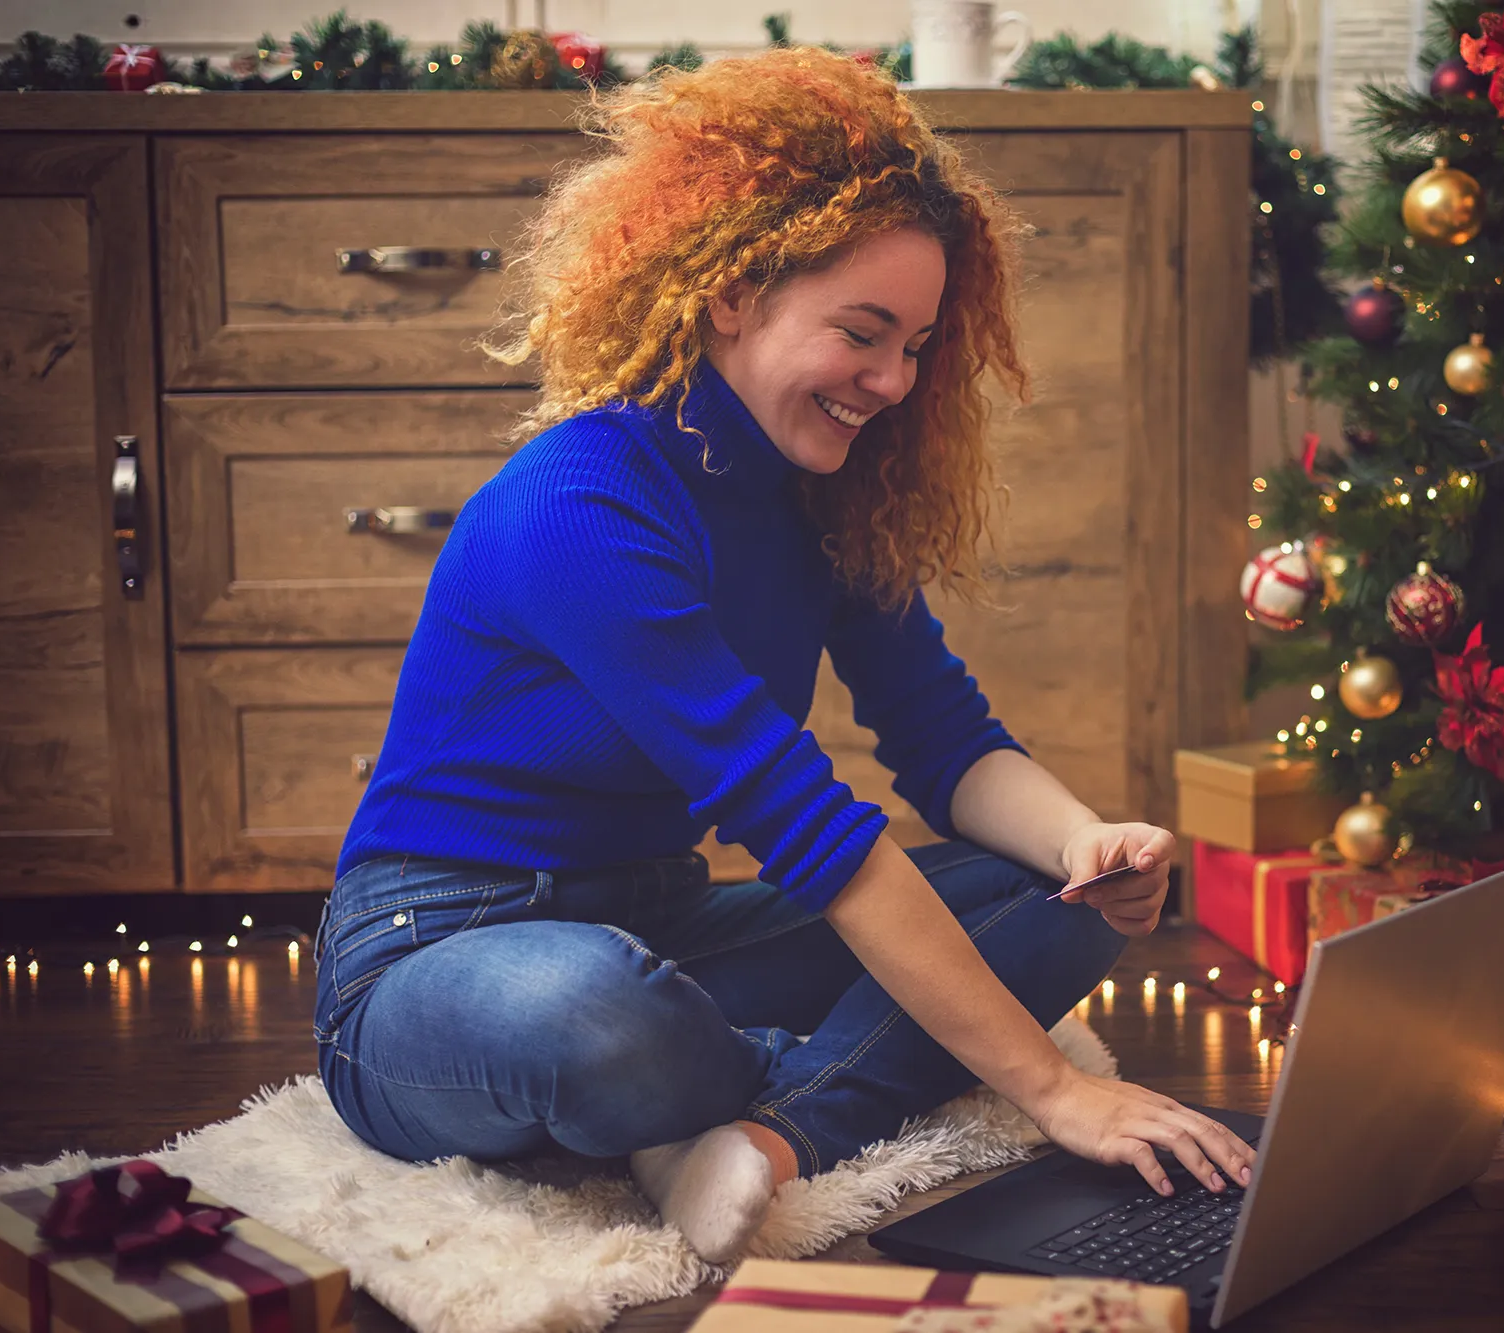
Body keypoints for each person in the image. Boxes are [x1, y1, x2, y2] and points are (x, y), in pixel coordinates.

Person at [313, 47, 1254, 1265]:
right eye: (862, 334)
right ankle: (768, 1077)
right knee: (594, 1012)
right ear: (731, 294)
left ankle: (764, 1133)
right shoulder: (580, 504)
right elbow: (806, 828)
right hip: (432, 958)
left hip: (662, 925)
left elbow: (946, 740)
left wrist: (1085, 841)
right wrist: (1052, 1090)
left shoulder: (827, 500)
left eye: (915, 346)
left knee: (1047, 895)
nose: (892, 381)